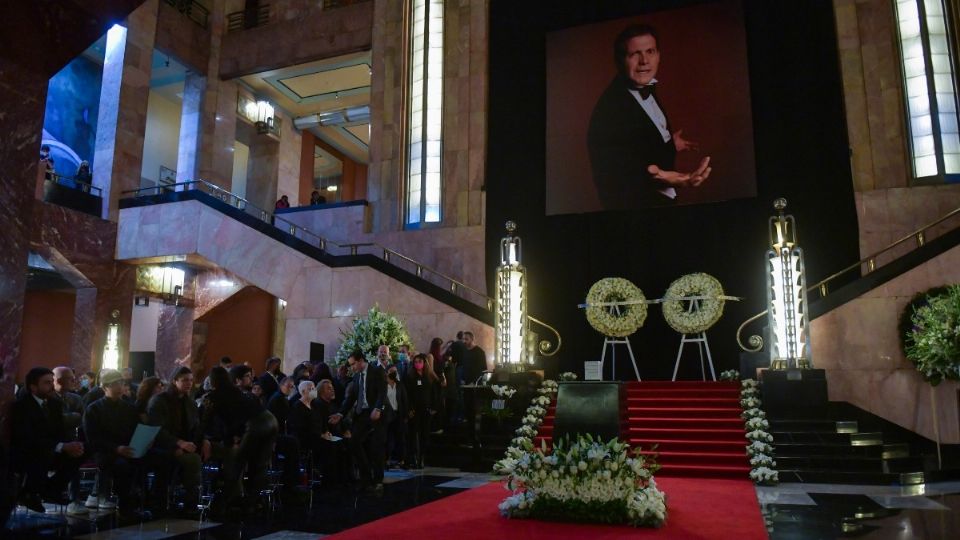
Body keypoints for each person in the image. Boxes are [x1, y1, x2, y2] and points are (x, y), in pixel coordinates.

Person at [586, 24, 712, 210]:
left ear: (659, 55)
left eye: (650, 51)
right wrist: (676, 178)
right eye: (635, 54)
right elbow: (615, 171)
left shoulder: (643, 88)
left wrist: (669, 145)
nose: (644, 60)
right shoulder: (610, 110)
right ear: (619, 60)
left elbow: (635, 145)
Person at [11, 367, 87, 516]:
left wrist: (71, 445)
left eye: (51, 381)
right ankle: (30, 494)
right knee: (41, 453)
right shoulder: (22, 407)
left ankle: (52, 490)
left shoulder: (54, 404)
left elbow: (59, 432)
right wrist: (61, 446)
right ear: (33, 387)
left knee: (83, 450)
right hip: (28, 452)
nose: (52, 386)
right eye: (46, 383)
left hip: (51, 448)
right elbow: (28, 438)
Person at [201, 366, 278, 511]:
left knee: (238, 461)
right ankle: (254, 500)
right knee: (259, 464)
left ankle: (235, 500)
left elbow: (225, 421)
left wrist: (229, 441)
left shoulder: (215, 397)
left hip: (256, 424)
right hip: (270, 420)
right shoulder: (236, 392)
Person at [83, 369, 147, 515]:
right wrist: (117, 449)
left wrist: (142, 442)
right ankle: (126, 504)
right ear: (105, 387)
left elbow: (136, 430)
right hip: (105, 451)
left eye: (121, 383)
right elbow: (93, 439)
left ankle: (146, 501)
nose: (120, 387)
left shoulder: (129, 408)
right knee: (122, 465)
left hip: (128, 449)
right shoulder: (94, 409)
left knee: (150, 459)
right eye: (115, 384)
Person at [148, 366, 209, 514]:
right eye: (184, 380)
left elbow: (196, 427)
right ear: (175, 381)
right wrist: (178, 444)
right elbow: (157, 431)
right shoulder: (160, 401)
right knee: (193, 460)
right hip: (162, 446)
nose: (189, 383)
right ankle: (190, 505)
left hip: (185, 445)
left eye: (191, 380)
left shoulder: (189, 402)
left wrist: (204, 441)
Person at [329, 350, 386, 493]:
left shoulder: (377, 371)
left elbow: (382, 392)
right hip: (362, 414)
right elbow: (351, 398)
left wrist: (378, 408)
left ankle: (378, 480)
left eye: (353, 364)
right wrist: (340, 414)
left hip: (375, 412)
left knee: (376, 447)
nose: (352, 367)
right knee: (354, 442)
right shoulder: (356, 377)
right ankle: (365, 477)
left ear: (361, 361)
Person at [404, 354, 433, 469]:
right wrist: (409, 409)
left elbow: (431, 392)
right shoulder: (410, 376)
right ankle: (414, 458)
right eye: (415, 362)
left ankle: (422, 458)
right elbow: (408, 394)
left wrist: (432, 407)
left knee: (424, 434)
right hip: (414, 410)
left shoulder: (428, 376)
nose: (417, 364)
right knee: (414, 434)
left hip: (425, 410)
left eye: (420, 361)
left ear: (424, 363)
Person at [383, 365, 408, 468]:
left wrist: (405, 414)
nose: (394, 373)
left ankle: (401, 460)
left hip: (398, 414)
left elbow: (404, 400)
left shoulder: (399, 384)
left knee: (400, 438)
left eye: (395, 371)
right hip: (387, 415)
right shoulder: (383, 385)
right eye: (391, 371)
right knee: (387, 438)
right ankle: (386, 460)